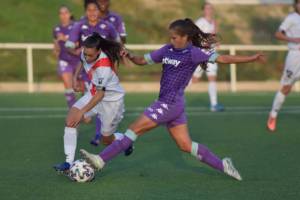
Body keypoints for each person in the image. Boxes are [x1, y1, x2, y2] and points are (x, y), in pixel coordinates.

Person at [79, 18, 266, 181]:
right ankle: (223, 165)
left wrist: (251, 58)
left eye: (175, 37)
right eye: (171, 37)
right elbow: (142, 61)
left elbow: (223, 58)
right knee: (186, 145)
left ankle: (101, 159)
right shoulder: (167, 49)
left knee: (132, 131)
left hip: (169, 104)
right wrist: (130, 55)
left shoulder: (194, 53)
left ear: (186, 37)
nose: (172, 40)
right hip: (173, 105)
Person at [54, 32, 131, 173]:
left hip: (112, 102)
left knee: (106, 140)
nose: (87, 57)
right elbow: (81, 61)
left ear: (99, 51)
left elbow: (101, 95)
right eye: (85, 53)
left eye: (91, 55)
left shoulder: (104, 66)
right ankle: (68, 163)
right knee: (71, 120)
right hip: (93, 93)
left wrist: (83, 112)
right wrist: (75, 78)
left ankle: (124, 141)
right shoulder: (86, 53)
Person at [65, 0, 121, 146]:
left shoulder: (107, 26)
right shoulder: (79, 25)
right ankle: (78, 134)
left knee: (98, 100)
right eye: (89, 10)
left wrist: (115, 62)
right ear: (85, 11)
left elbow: (118, 43)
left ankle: (99, 134)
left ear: (99, 11)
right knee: (88, 104)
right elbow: (69, 45)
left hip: (102, 72)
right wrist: (76, 51)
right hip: (86, 72)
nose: (92, 13)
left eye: (94, 10)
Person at [267, 0, 300, 132]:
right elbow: (278, 34)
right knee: (286, 88)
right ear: (295, 5)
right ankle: (273, 115)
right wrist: (293, 39)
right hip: (295, 56)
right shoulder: (291, 18)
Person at [192, 2, 223, 112]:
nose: (209, 10)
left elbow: (213, 37)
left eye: (210, 8)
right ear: (203, 10)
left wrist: (216, 42)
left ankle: (214, 105)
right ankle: (170, 97)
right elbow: (194, 36)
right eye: (207, 8)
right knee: (193, 80)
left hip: (211, 54)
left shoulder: (214, 22)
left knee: (212, 78)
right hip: (200, 54)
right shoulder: (200, 22)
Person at [53, 6, 79, 108]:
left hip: (77, 60)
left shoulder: (76, 26)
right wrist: (56, 49)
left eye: (65, 13)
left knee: (81, 87)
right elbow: (55, 42)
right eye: (61, 13)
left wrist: (64, 38)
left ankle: (85, 110)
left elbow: (77, 43)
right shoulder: (56, 28)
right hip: (64, 59)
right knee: (68, 88)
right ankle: (73, 112)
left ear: (70, 14)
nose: (63, 15)